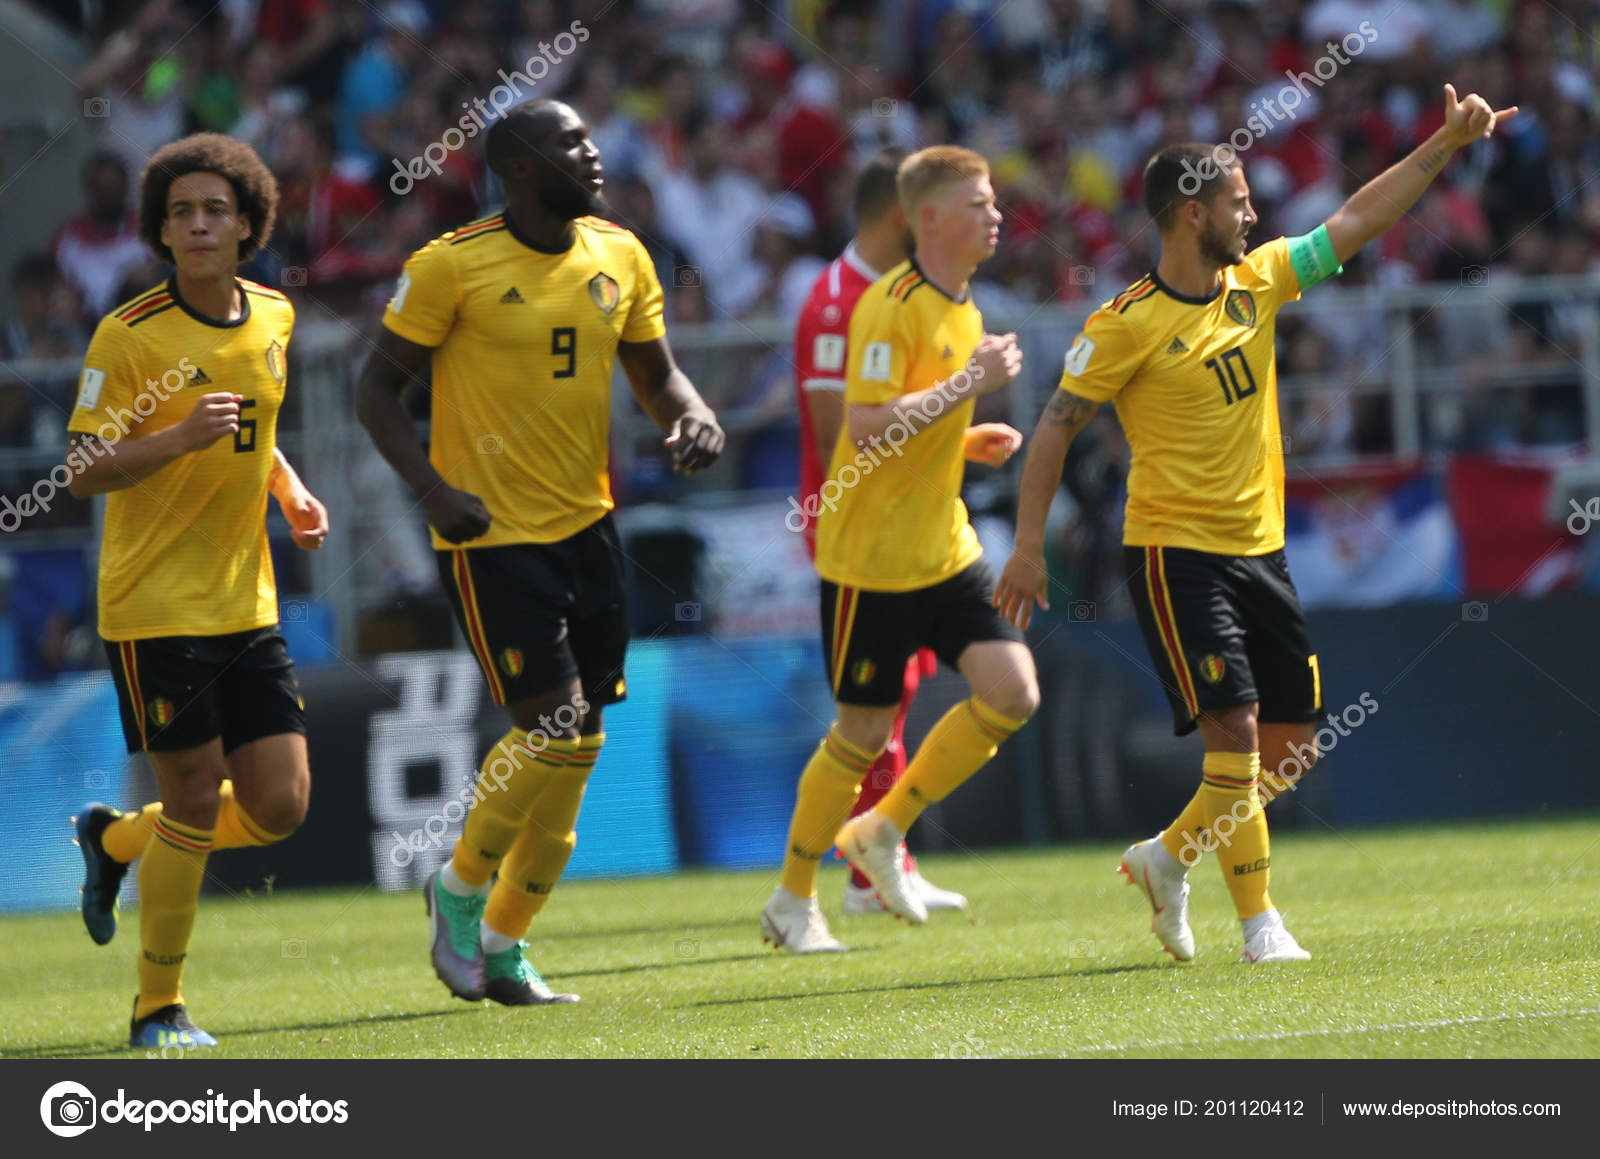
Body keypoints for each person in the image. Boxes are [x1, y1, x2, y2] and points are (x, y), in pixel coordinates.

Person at [996, 84, 1517, 963]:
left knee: (1291, 748)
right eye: (1239, 201)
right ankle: (1259, 923)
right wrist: (1025, 549)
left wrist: (1445, 143)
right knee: (1233, 731)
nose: (1254, 212)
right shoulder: (1122, 325)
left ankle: (1169, 856)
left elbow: (1359, 217)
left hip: (1262, 552)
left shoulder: (1261, 279)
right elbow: (1050, 432)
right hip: (1174, 553)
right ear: (1192, 212)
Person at [356, 99, 724, 1006]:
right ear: (518, 166)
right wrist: (435, 491)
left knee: (583, 741)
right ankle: (457, 889)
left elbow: (655, 372)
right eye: (571, 143)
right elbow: (375, 392)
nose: (593, 154)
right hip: (489, 534)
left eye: (591, 140)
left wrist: (692, 412)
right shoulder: (452, 266)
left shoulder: (622, 254)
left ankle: (507, 944)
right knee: (551, 722)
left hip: (589, 526)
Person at [68, 133, 329, 1048]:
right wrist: (175, 438)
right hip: (153, 607)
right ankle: (158, 1008)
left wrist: (289, 489)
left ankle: (115, 843)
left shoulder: (273, 316)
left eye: (216, 207)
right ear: (161, 230)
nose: (199, 223)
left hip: (246, 602)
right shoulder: (128, 335)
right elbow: (80, 468)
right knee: (191, 798)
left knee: (280, 806)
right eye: (182, 211)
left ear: (248, 221)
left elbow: (256, 429)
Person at [761, 145, 1033, 948]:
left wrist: (966, 438)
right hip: (869, 561)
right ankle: (792, 897)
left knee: (1012, 690)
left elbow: (916, 427)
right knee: (862, 733)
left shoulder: (966, 307)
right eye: (979, 203)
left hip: (942, 551)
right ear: (928, 219)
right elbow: (866, 427)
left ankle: (884, 828)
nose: (996, 215)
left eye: (993, 201)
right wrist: (965, 388)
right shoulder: (886, 305)